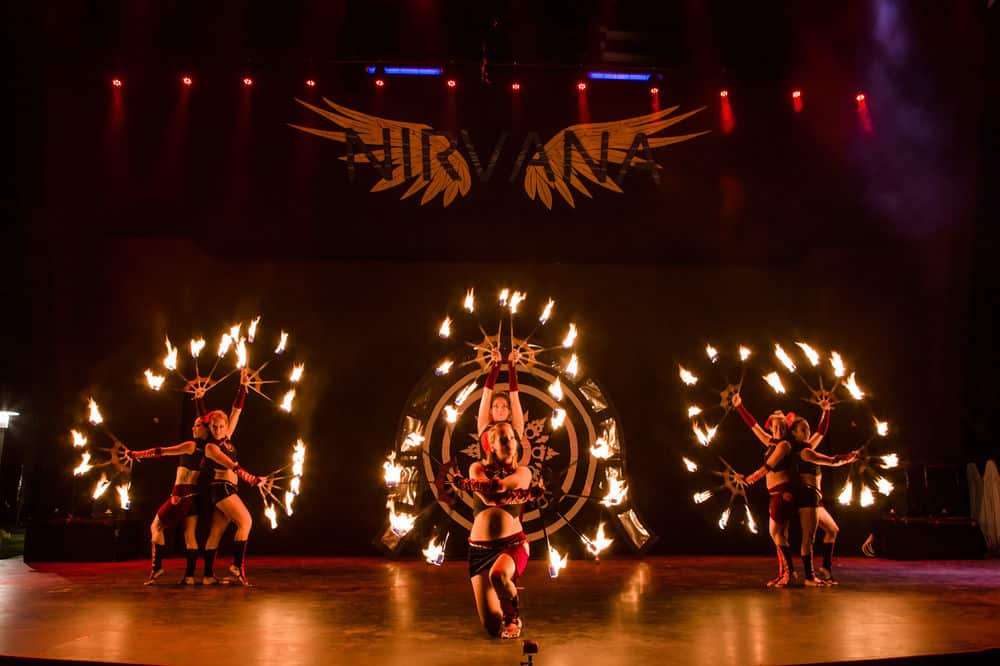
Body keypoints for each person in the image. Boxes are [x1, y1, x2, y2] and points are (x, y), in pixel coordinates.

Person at [125, 372, 249, 585]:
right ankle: (193, 576)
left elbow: (162, 451)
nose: (194, 427)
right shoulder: (212, 444)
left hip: (182, 494)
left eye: (197, 426)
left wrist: (138, 454)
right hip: (198, 495)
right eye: (214, 426)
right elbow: (219, 416)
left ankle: (158, 568)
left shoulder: (194, 445)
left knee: (157, 527)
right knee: (191, 534)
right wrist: (204, 398)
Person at [452, 421, 536, 638]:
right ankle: (505, 602)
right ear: (491, 445)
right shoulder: (476, 468)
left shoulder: (523, 472)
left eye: (512, 438)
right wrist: (469, 481)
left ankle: (513, 617)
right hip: (479, 551)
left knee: (498, 575)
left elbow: (498, 489)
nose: (510, 442)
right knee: (491, 625)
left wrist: (464, 483)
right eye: (503, 439)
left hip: (512, 544)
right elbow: (489, 498)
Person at [733, 393, 797, 587]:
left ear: (786, 428)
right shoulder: (771, 442)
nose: (778, 429)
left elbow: (768, 466)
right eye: (775, 426)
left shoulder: (784, 445)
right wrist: (739, 406)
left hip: (783, 493)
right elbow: (754, 427)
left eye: (782, 426)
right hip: (775, 494)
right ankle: (784, 573)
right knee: (779, 535)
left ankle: (789, 573)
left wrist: (748, 479)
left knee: (776, 534)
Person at [787, 413, 857, 586]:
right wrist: (848, 457)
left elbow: (821, 431)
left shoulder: (808, 447)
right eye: (803, 429)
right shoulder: (805, 452)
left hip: (816, 499)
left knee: (832, 530)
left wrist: (826, 411)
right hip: (808, 497)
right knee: (808, 538)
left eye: (808, 428)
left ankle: (826, 567)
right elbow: (832, 461)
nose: (808, 432)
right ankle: (809, 577)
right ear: (794, 433)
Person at [201, 410, 268, 586]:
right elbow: (232, 465)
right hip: (222, 488)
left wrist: (244, 391)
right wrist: (251, 479)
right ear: (209, 427)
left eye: (221, 426)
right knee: (246, 522)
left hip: (226, 488)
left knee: (215, 532)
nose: (217, 430)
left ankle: (208, 576)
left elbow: (236, 412)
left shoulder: (226, 439)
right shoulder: (211, 447)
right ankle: (237, 567)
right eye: (214, 427)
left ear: (226, 427)